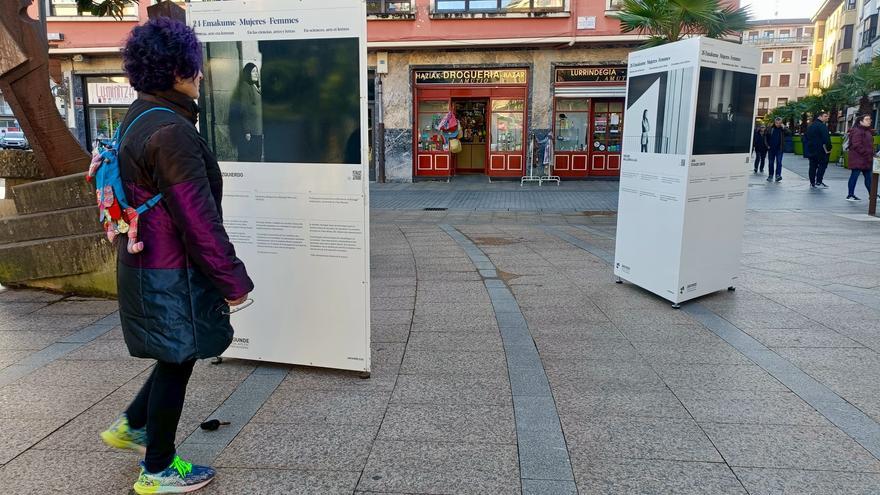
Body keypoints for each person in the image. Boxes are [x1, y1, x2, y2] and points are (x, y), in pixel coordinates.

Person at [99, 18, 253, 494]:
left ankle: (133, 426)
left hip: (146, 262)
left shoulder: (140, 116)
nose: (200, 76)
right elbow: (198, 219)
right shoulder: (172, 132)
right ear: (176, 71)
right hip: (172, 270)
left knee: (174, 356)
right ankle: (158, 469)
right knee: (178, 358)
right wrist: (233, 282)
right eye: (194, 67)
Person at [229, 62, 263, 161]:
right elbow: (244, 110)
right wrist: (247, 131)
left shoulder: (254, 86)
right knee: (252, 158)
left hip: (258, 130)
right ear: (248, 73)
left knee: (257, 156)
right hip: (252, 132)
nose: (256, 73)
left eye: (257, 71)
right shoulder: (245, 87)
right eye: (253, 71)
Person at [846, 113, 875, 201]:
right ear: (860, 121)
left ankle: (872, 195)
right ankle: (850, 195)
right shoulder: (857, 131)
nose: (869, 121)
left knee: (868, 178)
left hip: (866, 159)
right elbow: (857, 145)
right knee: (854, 176)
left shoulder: (867, 131)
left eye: (870, 119)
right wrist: (867, 153)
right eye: (867, 119)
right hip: (858, 158)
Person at [804, 111, 831, 188]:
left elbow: (805, 138)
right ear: (820, 117)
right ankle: (819, 182)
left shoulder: (810, 126)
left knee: (812, 166)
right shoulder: (822, 126)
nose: (827, 117)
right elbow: (826, 139)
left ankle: (812, 182)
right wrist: (829, 148)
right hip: (821, 150)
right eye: (825, 116)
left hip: (811, 149)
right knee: (822, 165)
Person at [765, 117, 785, 182]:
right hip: (771, 149)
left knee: (779, 163)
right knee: (771, 163)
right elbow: (765, 137)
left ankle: (778, 175)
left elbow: (789, 133)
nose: (778, 124)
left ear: (781, 123)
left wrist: (784, 127)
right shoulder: (770, 128)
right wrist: (767, 146)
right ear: (774, 122)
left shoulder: (782, 129)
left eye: (779, 123)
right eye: (777, 123)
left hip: (779, 149)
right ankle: (770, 175)